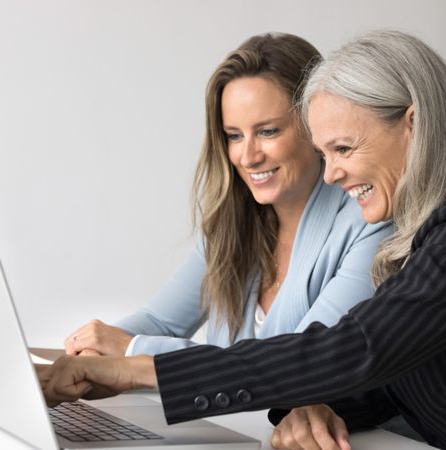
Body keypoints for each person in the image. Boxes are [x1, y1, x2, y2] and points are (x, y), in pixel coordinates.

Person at [40, 30, 446, 450]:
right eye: (325, 150)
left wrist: (136, 369)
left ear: (412, 124)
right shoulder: (423, 229)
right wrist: (315, 403)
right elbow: (389, 376)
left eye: (343, 149)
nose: (331, 173)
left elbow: (359, 348)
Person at [62, 32, 390, 359]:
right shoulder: (234, 224)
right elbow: (159, 321)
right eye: (234, 136)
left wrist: (132, 349)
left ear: (315, 125)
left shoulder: (370, 221)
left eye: (267, 131)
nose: (247, 157)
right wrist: (91, 352)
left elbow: (300, 362)